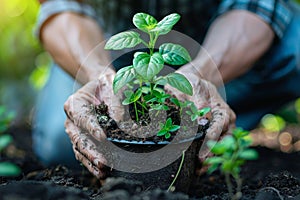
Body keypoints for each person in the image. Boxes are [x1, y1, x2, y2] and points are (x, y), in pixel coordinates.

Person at [33, 0, 300, 178]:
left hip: (223, 37)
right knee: (61, 141)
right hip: (103, 47)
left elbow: (261, 3)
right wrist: (99, 75)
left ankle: (206, 119)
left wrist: (202, 73)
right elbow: (59, 5)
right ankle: (171, 122)